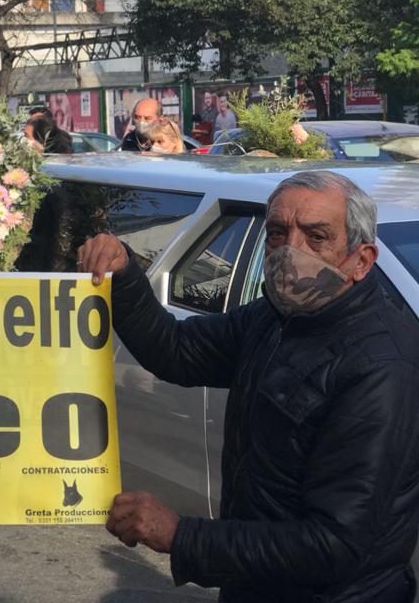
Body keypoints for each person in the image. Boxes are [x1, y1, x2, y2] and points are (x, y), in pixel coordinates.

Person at [79, 171, 419, 602]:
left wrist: (182, 535)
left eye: (316, 236)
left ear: (361, 259)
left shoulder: (381, 365)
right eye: (277, 233)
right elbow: (177, 351)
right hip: (255, 583)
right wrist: (124, 271)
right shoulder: (276, 316)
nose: (291, 250)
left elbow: (335, 544)